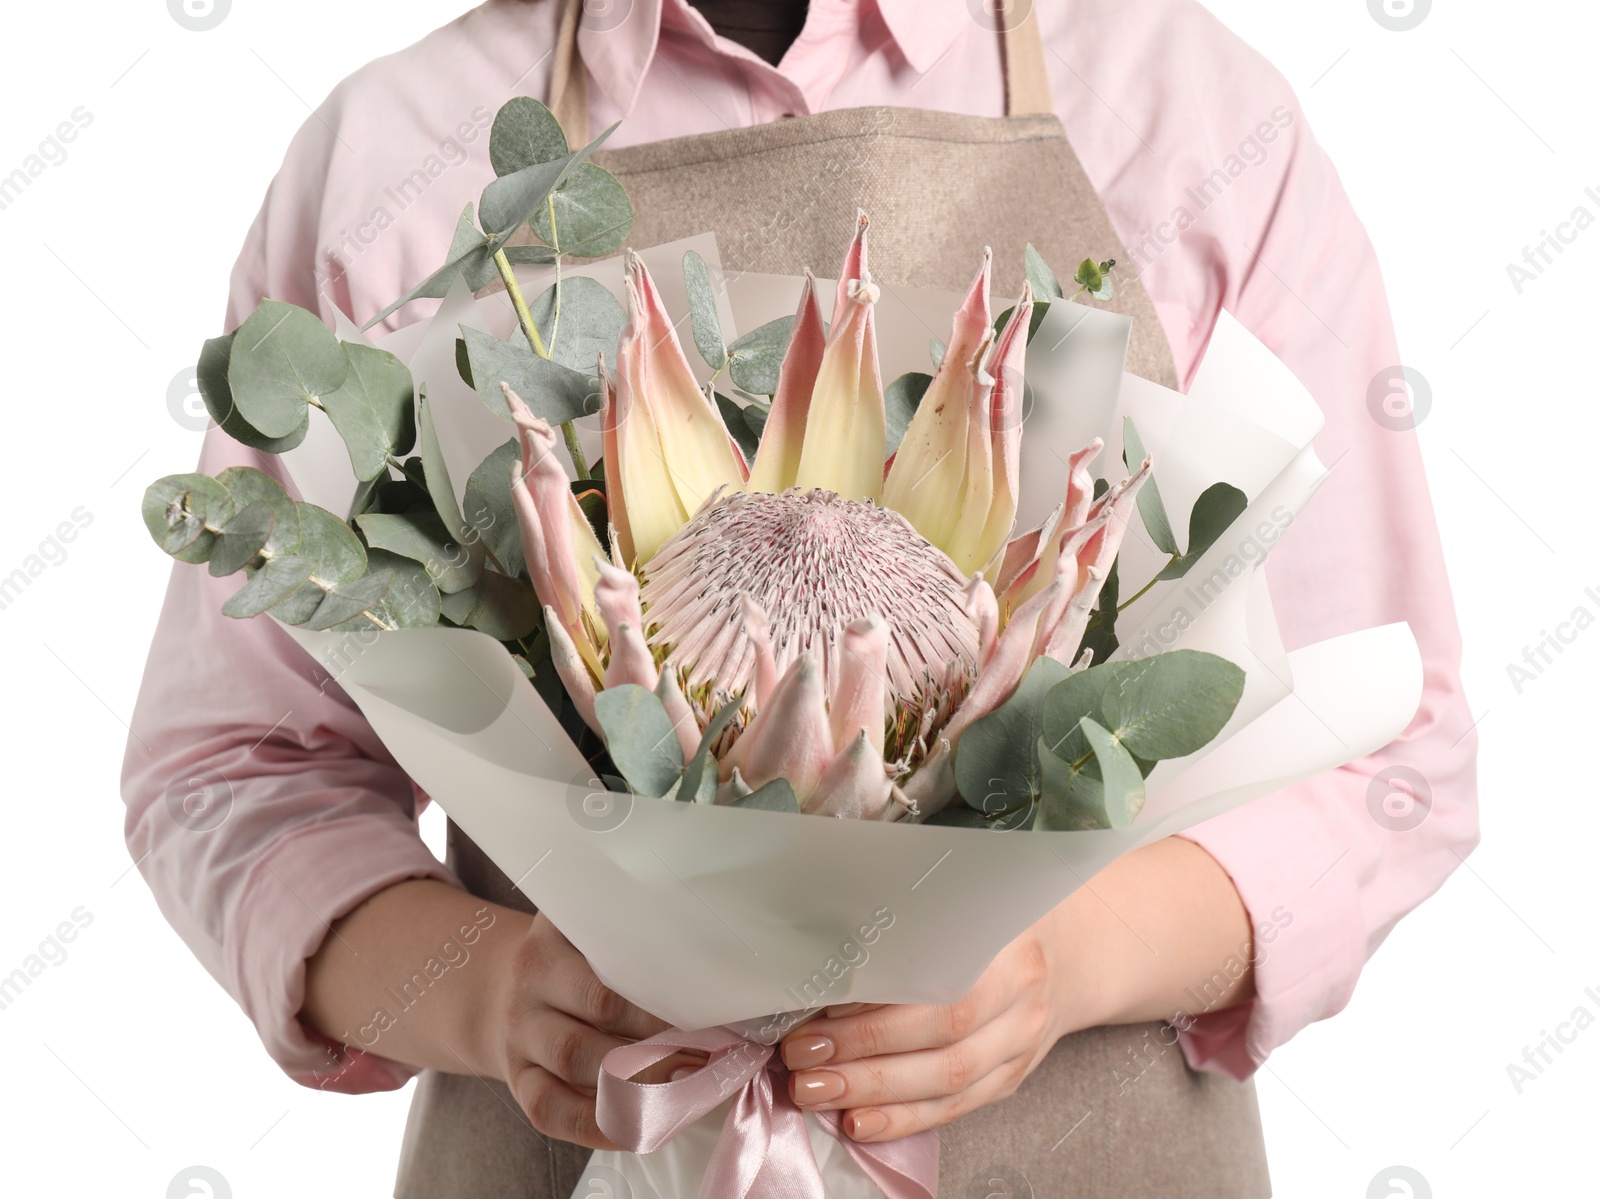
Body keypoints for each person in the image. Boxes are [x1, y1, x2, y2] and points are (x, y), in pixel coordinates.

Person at [122, 1, 1478, 1195]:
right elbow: (231, 767)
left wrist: (1072, 962)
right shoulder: (402, 154)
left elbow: (1395, 745)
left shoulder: (1190, 113)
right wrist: (488, 994)